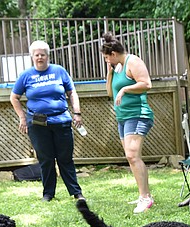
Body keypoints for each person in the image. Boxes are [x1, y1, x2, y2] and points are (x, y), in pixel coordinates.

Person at [10, 40, 84, 202]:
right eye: (36, 55)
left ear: (47, 55)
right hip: (37, 124)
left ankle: (76, 192)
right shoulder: (26, 75)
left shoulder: (59, 71)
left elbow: (72, 93)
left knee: (65, 158)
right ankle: (48, 194)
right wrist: (22, 117)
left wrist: (76, 112)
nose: (40, 57)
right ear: (32, 57)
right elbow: (14, 97)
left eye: (42, 54)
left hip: (61, 120)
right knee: (45, 159)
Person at [100, 32, 155, 213]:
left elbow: (146, 84)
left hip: (137, 114)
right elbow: (109, 93)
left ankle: (145, 198)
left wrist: (125, 88)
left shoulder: (133, 62)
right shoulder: (117, 68)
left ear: (114, 54)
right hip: (122, 117)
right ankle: (145, 195)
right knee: (132, 158)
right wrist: (110, 74)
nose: (107, 61)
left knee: (132, 156)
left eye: (107, 58)